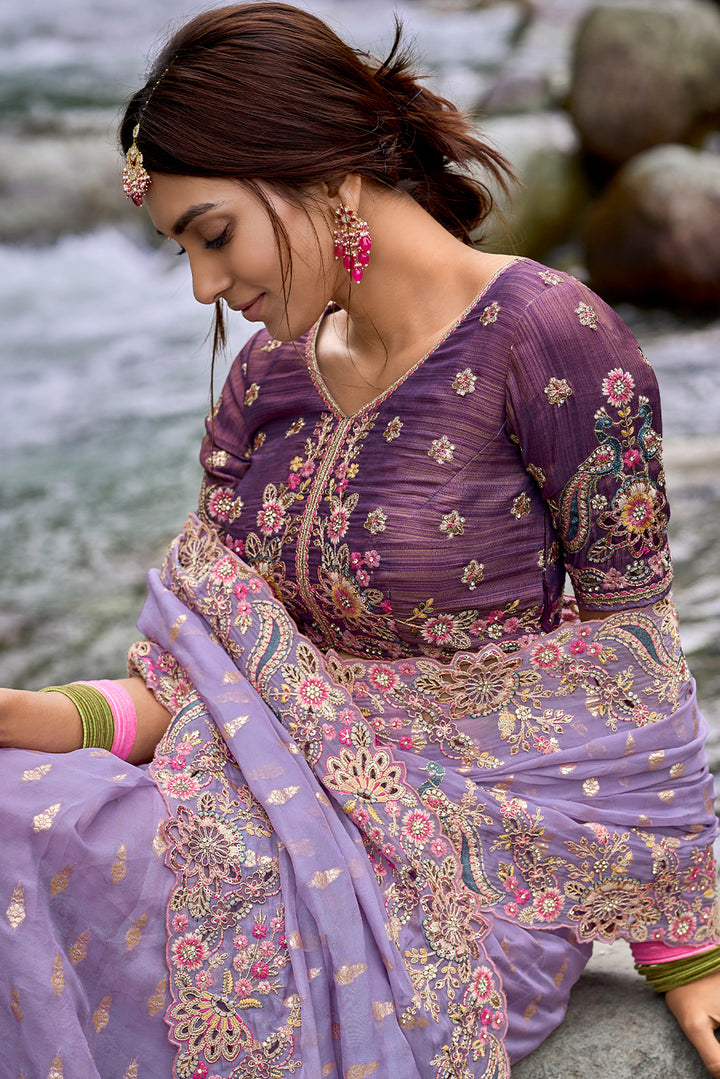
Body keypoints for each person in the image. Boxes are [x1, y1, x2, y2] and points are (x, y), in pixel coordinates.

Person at [1, 3, 719, 1076]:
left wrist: (686, 948)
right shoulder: (266, 383)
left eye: (213, 234)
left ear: (320, 173)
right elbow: (206, 681)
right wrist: (23, 714)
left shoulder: (548, 336)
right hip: (250, 816)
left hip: (467, 877)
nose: (207, 285)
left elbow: (631, 672)